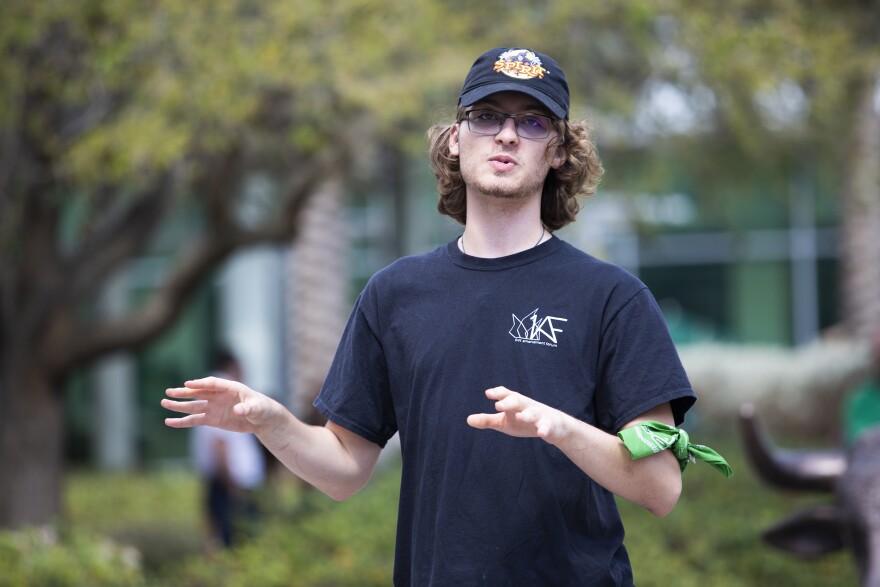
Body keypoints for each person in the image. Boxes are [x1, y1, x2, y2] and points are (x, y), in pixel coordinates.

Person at [163, 47, 698, 585]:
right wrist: (270, 422)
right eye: (487, 116)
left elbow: (661, 487)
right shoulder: (396, 294)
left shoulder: (613, 299)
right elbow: (345, 469)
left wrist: (561, 429)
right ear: (454, 138)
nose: (506, 135)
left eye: (531, 121)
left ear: (559, 150)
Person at [190, 348, 265, 548]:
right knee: (238, 542)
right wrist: (234, 488)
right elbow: (220, 447)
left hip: (225, 483)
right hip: (232, 484)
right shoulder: (223, 396)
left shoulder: (209, 395)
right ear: (232, 367)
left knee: (226, 539)